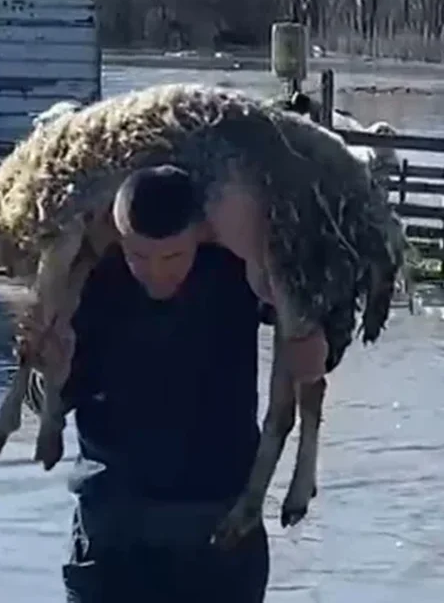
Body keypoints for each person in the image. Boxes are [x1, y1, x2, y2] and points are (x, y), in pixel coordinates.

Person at [60, 164, 269, 602]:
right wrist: (45, 367)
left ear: (201, 233)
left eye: (173, 257)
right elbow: (58, 395)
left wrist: (319, 343)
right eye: (139, 256)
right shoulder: (91, 279)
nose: (156, 272)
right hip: (114, 528)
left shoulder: (237, 269)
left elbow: (311, 314)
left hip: (214, 524)